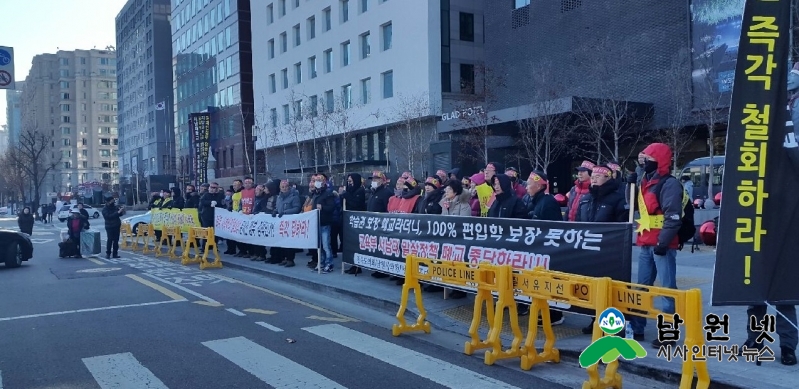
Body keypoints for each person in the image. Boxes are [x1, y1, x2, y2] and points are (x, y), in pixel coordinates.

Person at [628, 143, 685, 347]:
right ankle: (637, 327)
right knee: (642, 287)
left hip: (662, 244)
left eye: (648, 159)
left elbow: (673, 216)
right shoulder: (645, 180)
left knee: (668, 289)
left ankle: (668, 333)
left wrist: (663, 241)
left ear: (659, 161)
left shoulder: (669, 184)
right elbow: (634, 208)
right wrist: (631, 185)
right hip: (645, 241)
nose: (644, 163)